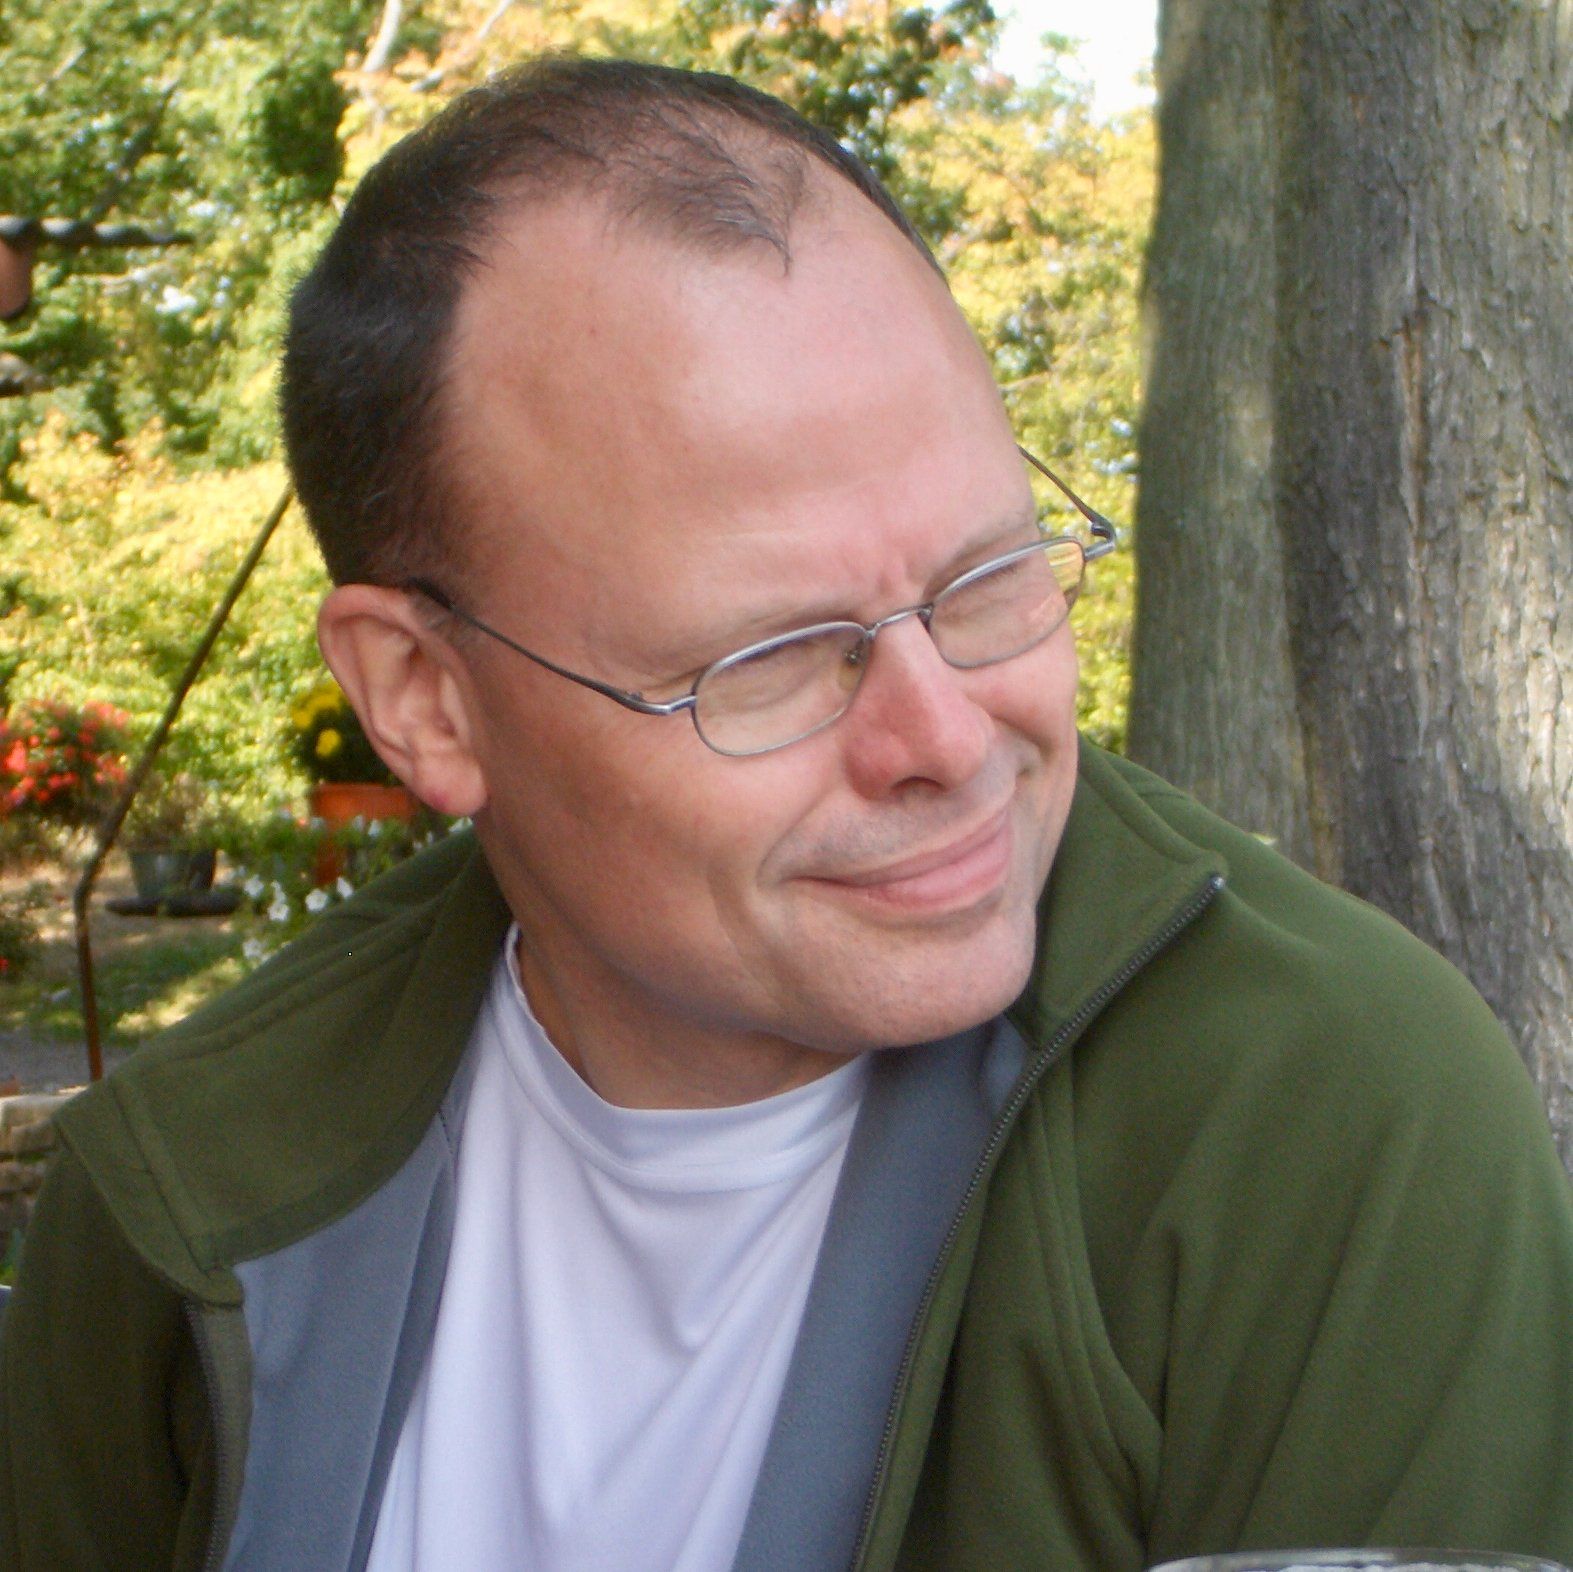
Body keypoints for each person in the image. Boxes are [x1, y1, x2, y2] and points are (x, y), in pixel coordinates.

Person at [3, 56, 1572, 1572]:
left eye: (987, 579)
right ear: (424, 699)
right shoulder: (180, 1191)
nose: (946, 738)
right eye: (766, 660)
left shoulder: (1321, 1122)